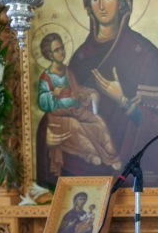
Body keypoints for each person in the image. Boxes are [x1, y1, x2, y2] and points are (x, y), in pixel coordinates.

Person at [60, 0, 158, 185]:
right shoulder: (80, 58)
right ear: (88, 5)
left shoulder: (146, 54)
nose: (101, 5)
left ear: (122, 1)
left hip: (131, 175)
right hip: (84, 174)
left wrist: (122, 100)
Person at [36, 32, 122, 176]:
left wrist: (87, 94)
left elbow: (75, 90)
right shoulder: (46, 77)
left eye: (61, 48)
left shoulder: (67, 71)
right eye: (56, 50)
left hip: (74, 110)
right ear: (50, 55)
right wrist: (53, 94)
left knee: (97, 121)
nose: (61, 52)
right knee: (75, 125)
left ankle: (111, 156)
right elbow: (42, 102)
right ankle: (91, 154)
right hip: (58, 116)